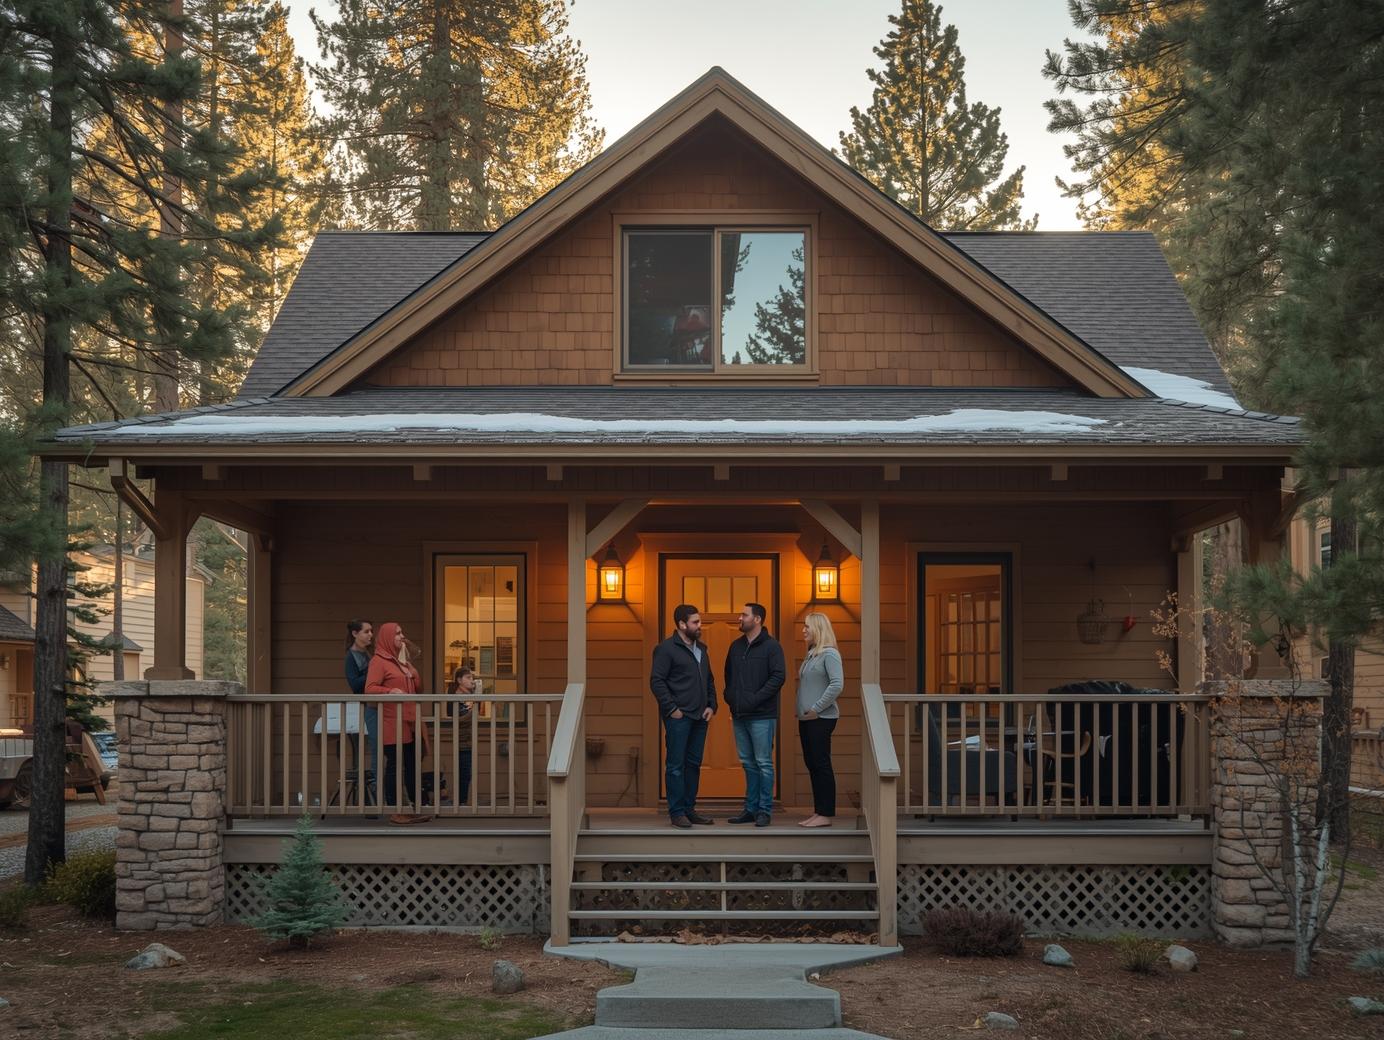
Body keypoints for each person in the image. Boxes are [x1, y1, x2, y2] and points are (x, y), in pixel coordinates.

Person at [649, 604, 717, 829]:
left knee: (693, 765)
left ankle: (689, 809)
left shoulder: (702, 649)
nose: (700, 625)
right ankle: (677, 813)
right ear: (681, 624)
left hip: (700, 717)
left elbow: (709, 679)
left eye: (699, 621)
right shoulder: (666, 649)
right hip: (679, 717)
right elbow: (657, 681)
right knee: (675, 766)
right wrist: (671, 709)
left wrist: (712, 705)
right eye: (695, 622)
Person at [723, 602, 786, 828]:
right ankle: (750, 809)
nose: (740, 618)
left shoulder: (772, 647)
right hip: (739, 715)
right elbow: (728, 677)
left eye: (744, 615)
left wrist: (755, 699)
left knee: (763, 763)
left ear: (757, 619)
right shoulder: (736, 647)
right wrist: (731, 698)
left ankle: (764, 811)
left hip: (762, 715)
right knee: (748, 764)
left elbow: (778, 677)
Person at [366, 621, 431, 825]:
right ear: (387, 637)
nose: (402, 637)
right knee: (395, 766)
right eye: (397, 633)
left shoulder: (401, 662)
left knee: (412, 765)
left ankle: (413, 808)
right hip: (393, 723)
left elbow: (419, 688)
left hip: (410, 722)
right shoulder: (378, 661)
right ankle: (395, 811)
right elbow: (370, 689)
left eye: (402, 633)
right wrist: (389, 691)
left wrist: (410, 667)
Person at [796, 612, 844, 828]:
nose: (803, 630)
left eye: (807, 626)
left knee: (821, 764)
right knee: (812, 764)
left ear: (818, 628)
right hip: (807, 719)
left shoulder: (830, 654)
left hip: (822, 717)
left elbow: (837, 684)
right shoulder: (811, 654)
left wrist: (816, 708)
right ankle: (818, 811)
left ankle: (825, 814)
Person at [344, 620, 378, 777]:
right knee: (374, 743)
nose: (370, 634)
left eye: (371, 631)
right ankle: (375, 782)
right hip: (366, 706)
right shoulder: (351, 657)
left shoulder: (369, 652)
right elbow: (354, 684)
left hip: (377, 703)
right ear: (355, 634)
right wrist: (372, 673)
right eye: (366, 631)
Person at [446, 666, 477, 806]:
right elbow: (458, 719)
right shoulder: (456, 697)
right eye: (468, 677)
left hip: (469, 740)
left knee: (466, 772)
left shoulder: (469, 696)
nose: (472, 680)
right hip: (461, 740)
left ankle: (461, 801)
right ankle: (460, 802)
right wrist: (473, 710)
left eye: (472, 678)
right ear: (459, 680)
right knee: (464, 772)